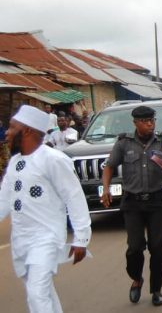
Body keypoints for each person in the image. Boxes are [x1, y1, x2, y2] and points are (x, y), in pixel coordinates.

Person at [0, 105, 91, 313]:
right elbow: (3, 202)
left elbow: (74, 198)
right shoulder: (15, 162)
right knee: (43, 292)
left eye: (12, 127)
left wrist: (81, 238)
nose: (7, 132)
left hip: (46, 238)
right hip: (21, 240)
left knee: (37, 292)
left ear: (28, 131)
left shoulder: (54, 159)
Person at [101, 106, 162, 306]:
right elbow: (109, 166)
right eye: (145, 120)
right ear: (135, 123)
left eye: (152, 120)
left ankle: (156, 290)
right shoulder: (124, 143)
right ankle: (136, 279)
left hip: (157, 201)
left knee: (158, 249)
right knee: (134, 247)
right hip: (133, 203)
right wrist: (106, 189)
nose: (150, 123)